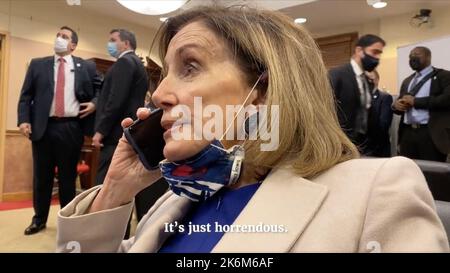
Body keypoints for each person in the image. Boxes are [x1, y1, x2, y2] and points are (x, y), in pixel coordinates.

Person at [57, 6, 448, 252]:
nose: (159, 93)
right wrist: (114, 193)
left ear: (263, 88)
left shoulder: (378, 188)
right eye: (164, 74)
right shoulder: (175, 199)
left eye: (189, 67)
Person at [17, 26, 97, 235]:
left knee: (67, 178)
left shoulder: (85, 67)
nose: (59, 39)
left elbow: (101, 88)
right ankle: (39, 219)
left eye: (64, 37)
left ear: (73, 45)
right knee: (41, 177)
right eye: (58, 35)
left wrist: (95, 103)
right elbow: (26, 96)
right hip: (43, 127)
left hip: (71, 128)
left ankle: (67, 222)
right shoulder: (38, 65)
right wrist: (23, 120)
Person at [92, 29, 149, 185]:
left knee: (105, 183)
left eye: (113, 40)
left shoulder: (125, 62)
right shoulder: (138, 64)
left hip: (114, 134)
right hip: (128, 132)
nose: (109, 44)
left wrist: (100, 131)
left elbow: (115, 101)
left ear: (125, 43)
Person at [329, 34, 385, 154]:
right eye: (375, 52)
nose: (377, 58)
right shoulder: (338, 74)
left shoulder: (367, 81)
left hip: (363, 146)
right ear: (359, 50)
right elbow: (326, 109)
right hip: (340, 145)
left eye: (380, 53)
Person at [393, 46, 450, 162]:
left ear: (428, 57)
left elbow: (446, 100)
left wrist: (416, 102)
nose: (412, 58)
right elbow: (400, 102)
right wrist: (396, 106)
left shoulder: (444, 76)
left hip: (430, 134)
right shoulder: (407, 80)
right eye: (410, 56)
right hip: (407, 134)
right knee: (408, 171)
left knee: (433, 173)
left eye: (417, 55)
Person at [365, 70, 393, 157]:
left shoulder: (385, 98)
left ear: (377, 80)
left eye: (371, 79)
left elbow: (383, 125)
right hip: (360, 149)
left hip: (377, 149)